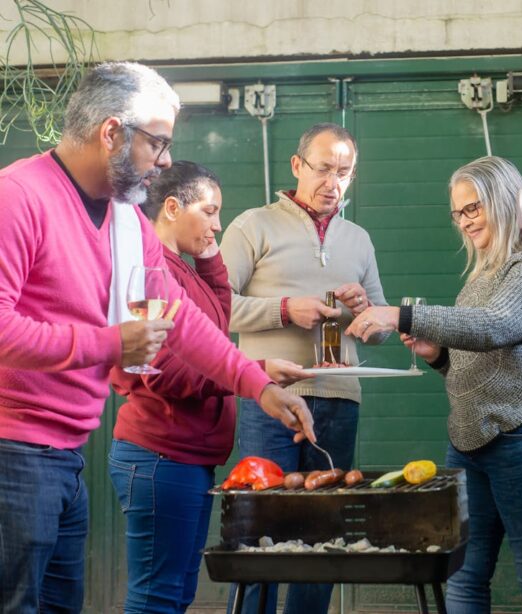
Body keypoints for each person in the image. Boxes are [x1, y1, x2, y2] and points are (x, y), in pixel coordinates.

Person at [0, 62, 314, 614]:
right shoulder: (18, 197)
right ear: (112, 132)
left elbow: (183, 319)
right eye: (158, 143)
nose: (165, 161)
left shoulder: (128, 220)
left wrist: (256, 382)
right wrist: (108, 344)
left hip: (65, 455)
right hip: (14, 450)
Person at [346, 156, 522, 614]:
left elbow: (497, 326)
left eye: (473, 208)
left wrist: (401, 314)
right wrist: (440, 358)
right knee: (463, 575)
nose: (465, 221)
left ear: (504, 201)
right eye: (459, 213)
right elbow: (482, 363)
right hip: (474, 439)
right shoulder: (478, 280)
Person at [108, 161, 313, 613]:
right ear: (173, 207)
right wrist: (257, 373)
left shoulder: (182, 270)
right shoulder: (149, 272)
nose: (218, 224)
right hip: (159, 457)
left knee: (176, 593)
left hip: (187, 459)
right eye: (210, 211)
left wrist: (206, 252)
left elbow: (218, 322)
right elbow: (167, 371)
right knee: (157, 596)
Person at [220, 122, 389, 614]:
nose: (332, 182)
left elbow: (380, 328)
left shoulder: (359, 239)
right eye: (323, 169)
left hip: (340, 399)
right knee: (260, 531)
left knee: (325, 538)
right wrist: (284, 309)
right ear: (297, 166)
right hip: (268, 398)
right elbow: (217, 308)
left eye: (344, 172)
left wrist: (364, 312)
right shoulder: (252, 225)